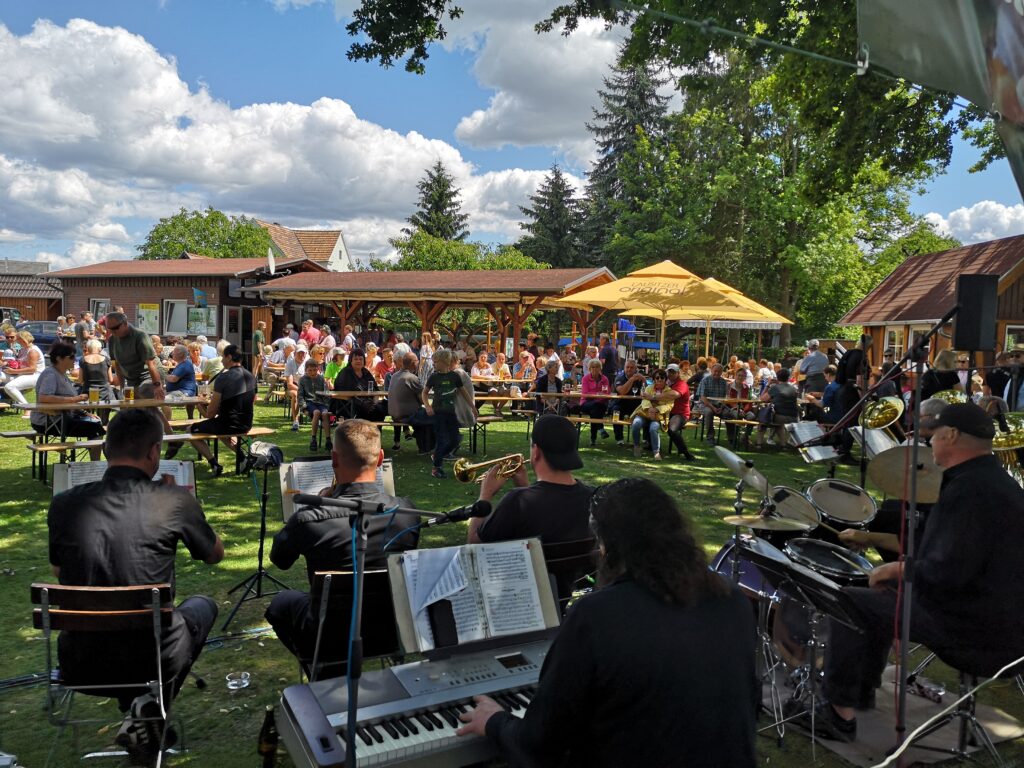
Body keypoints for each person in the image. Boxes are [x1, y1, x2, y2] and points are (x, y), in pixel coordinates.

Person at [458, 477, 758, 767]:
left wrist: (495, 721)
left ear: (607, 545)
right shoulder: (732, 600)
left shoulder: (597, 615)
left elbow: (541, 745)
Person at [800, 403, 1024, 742]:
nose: (928, 443)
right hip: (995, 615)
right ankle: (858, 693)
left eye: (932, 436)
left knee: (849, 600)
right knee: (875, 599)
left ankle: (838, 713)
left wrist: (894, 567)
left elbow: (947, 572)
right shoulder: (994, 482)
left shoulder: (970, 490)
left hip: (974, 625)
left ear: (950, 435)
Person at [48, 408, 223, 762]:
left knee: (150, 626)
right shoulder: (173, 500)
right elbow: (215, 555)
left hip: (80, 660)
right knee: (203, 606)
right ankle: (147, 706)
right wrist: (187, 505)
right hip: (152, 656)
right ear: (154, 452)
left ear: (107, 448)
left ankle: (140, 710)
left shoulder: (64, 504)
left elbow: (56, 570)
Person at [265, 420, 419, 673]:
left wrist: (319, 506)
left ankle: (322, 669)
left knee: (282, 603)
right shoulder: (408, 511)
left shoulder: (309, 519)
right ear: (380, 459)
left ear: (334, 459)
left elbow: (279, 559)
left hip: (329, 635)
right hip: (390, 629)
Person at [469, 414, 593, 545]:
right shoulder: (593, 497)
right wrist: (525, 488)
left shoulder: (516, 501)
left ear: (536, 452)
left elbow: (473, 544)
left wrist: (485, 496)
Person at [168, 345, 256, 475]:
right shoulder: (251, 376)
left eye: (223, 358)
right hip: (246, 423)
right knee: (221, 431)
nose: (221, 361)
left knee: (190, 430)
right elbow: (249, 400)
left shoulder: (223, 378)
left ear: (229, 357)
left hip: (227, 424)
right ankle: (242, 458)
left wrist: (199, 404)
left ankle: (214, 464)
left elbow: (210, 414)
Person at [32, 342, 104, 457]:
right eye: (71, 357)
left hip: (61, 418)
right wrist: (75, 399)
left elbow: (67, 401)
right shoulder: (50, 374)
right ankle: (94, 466)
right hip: (48, 421)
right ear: (59, 358)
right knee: (95, 429)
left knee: (95, 424)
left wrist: (85, 413)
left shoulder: (61, 374)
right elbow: (44, 397)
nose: (74, 359)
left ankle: (95, 465)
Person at [422, 348, 472, 479]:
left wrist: (473, 407)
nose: (434, 364)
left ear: (444, 362)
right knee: (442, 440)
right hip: (438, 413)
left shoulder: (454, 376)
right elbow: (424, 393)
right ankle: (436, 468)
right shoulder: (433, 377)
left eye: (436, 362)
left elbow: (463, 392)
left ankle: (438, 455)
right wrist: (427, 406)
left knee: (455, 439)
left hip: (451, 413)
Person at [105, 312, 165, 401]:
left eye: (115, 328)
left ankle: (162, 411)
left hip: (149, 375)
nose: (113, 331)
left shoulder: (140, 336)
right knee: (128, 404)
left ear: (125, 324)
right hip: (132, 378)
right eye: (109, 329)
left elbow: (151, 364)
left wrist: (157, 385)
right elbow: (117, 364)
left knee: (144, 394)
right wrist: (122, 387)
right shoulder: (112, 340)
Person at [388, 352, 433, 454]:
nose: (418, 363)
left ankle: (422, 444)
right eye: (417, 361)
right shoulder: (411, 378)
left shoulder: (395, 375)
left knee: (423, 414)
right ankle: (426, 447)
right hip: (406, 415)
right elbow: (423, 399)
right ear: (413, 363)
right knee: (431, 416)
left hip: (394, 414)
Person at [631, 368, 675, 460]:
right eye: (657, 378)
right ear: (654, 379)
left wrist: (657, 410)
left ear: (665, 379)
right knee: (636, 424)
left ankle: (656, 452)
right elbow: (644, 400)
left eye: (662, 377)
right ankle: (637, 446)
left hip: (657, 416)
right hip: (644, 413)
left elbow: (669, 405)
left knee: (653, 428)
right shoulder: (649, 388)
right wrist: (650, 409)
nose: (659, 380)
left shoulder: (669, 391)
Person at [333, 348, 387, 422]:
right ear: (351, 361)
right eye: (356, 359)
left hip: (369, 404)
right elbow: (338, 394)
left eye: (360, 359)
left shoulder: (366, 373)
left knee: (381, 409)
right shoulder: (345, 373)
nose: (358, 361)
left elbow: (376, 391)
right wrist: (359, 402)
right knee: (376, 411)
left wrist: (374, 403)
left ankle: (375, 432)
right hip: (349, 407)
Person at [757, 368, 799, 447]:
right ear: (788, 377)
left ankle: (759, 444)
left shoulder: (775, 388)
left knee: (762, 421)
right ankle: (783, 445)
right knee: (779, 424)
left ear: (777, 377)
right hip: (794, 417)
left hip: (780, 417)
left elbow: (762, 399)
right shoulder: (794, 389)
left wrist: (768, 384)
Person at [3, 328, 45, 405]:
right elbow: (19, 364)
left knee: (9, 387)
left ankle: (27, 408)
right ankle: (3, 400)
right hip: (23, 374)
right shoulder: (23, 349)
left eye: (17, 338)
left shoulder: (33, 351)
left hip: (35, 376)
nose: (16, 340)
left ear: (23, 339)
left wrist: (13, 371)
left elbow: (32, 369)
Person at [664, 363, 696, 460]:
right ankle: (650, 446)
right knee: (648, 421)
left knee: (672, 430)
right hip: (666, 412)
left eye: (673, 372)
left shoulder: (682, 384)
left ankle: (686, 453)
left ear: (678, 373)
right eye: (669, 372)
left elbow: (674, 395)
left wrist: (654, 396)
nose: (670, 374)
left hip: (680, 414)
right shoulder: (665, 383)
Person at [612, 358, 646, 445]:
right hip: (621, 403)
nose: (629, 369)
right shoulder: (619, 377)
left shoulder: (639, 378)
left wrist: (644, 380)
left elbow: (647, 391)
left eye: (631, 367)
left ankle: (646, 439)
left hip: (635, 404)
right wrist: (631, 380)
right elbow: (622, 391)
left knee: (647, 410)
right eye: (627, 367)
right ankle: (619, 439)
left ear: (636, 369)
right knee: (616, 410)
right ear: (624, 368)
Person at [298, 359, 330, 452]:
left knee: (325, 414)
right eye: (310, 370)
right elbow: (300, 395)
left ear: (318, 369)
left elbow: (326, 393)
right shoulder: (303, 380)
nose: (312, 372)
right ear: (306, 370)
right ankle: (313, 439)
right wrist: (303, 407)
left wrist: (327, 404)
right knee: (316, 413)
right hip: (309, 402)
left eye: (314, 370)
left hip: (321, 402)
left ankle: (328, 440)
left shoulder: (321, 379)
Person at [578, 359, 612, 446]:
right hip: (586, 403)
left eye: (597, 367)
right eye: (592, 367)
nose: (595, 369)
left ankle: (593, 439)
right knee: (596, 407)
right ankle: (600, 429)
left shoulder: (604, 379)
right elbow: (585, 394)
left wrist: (598, 398)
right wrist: (597, 394)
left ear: (600, 368)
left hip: (600, 404)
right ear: (589, 368)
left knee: (595, 411)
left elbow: (607, 393)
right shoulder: (585, 378)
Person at [697, 363, 728, 445]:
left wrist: (721, 407)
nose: (717, 373)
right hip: (705, 404)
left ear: (722, 372)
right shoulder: (705, 380)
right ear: (711, 371)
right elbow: (703, 398)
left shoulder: (724, 382)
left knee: (729, 414)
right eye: (715, 371)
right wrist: (713, 408)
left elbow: (725, 398)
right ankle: (710, 438)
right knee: (709, 412)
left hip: (719, 405)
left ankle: (731, 438)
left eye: (719, 372)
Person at [285, 344, 309, 430]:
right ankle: (295, 421)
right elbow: (290, 384)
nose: (302, 355)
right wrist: (302, 390)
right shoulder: (290, 364)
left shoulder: (308, 363)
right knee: (296, 395)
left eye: (303, 353)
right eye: (299, 353)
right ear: (295, 353)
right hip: (293, 387)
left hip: (307, 387)